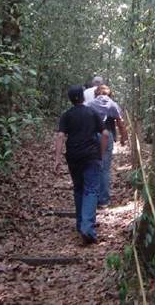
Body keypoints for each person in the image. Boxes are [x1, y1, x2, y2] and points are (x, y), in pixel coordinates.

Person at [54, 85, 109, 244]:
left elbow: (60, 136)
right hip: (91, 156)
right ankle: (87, 228)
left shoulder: (66, 115)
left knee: (78, 188)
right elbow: (105, 134)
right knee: (91, 190)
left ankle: (81, 225)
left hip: (73, 157)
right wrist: (101, 153)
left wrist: (57, 159)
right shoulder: (92, 113)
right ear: (83, 97)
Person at [87, 85, 128, 208]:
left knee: (93, 165)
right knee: (104, 168)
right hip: (107, 135)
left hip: (93, 136)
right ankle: (103, 200)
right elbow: (120, 123)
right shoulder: (112, 104)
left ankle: (91, 198)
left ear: (96, 93)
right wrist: (123, 138)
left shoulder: (90, 104)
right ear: (109, 94)